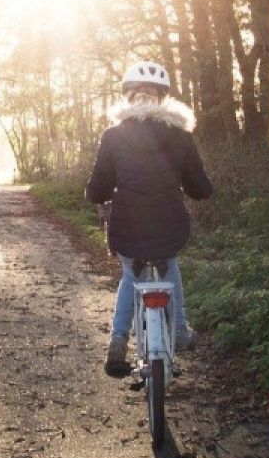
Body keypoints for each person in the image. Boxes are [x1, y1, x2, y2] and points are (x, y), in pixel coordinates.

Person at [85, 61, 214, 377]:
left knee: (131, 273)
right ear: (162, 99)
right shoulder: (180, 135)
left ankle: (118, 339)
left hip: (126, 224)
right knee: (169, 263)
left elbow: (98, 186)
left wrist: (96, 195)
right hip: (170, 223)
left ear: (128, 97)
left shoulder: (114, 135)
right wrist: (198, 189)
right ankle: (180, 330)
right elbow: (200, 187)